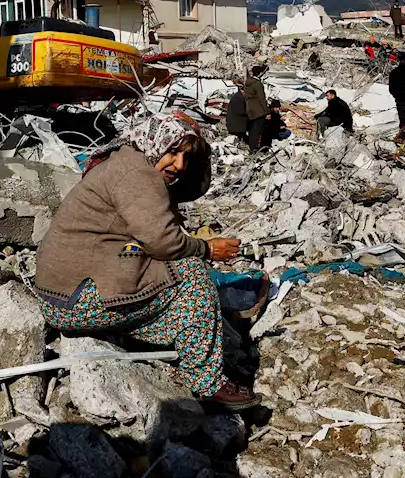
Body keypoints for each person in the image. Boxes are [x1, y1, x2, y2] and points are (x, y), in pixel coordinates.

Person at [33, 114, 260, 411]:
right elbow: (162, 242)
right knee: (191, 275)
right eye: (173, 152)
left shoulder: (126, 161)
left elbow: (159, 221)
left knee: (163, 275)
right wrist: (206, 249)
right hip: (75, 301)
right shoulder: (138, 176)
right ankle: (207, 383)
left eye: (185, 157)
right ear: (154, 144)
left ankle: (196, 345)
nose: (179, 165)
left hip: (59, 295)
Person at [242, 64, 269, 152]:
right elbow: (262, 99)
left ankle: (252, 147)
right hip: (259, 110)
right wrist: (267, 112)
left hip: (250, 109)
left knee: (252, 130)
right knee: (258, 130)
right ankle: (255, 149)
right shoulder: (258, 84)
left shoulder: (247, 83)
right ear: (260, 73)